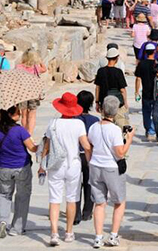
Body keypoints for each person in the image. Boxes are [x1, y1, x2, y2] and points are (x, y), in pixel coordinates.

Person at [40, 93, 93, 246]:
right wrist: (90, 161)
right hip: (73, 165)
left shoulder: (53, 123)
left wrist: (42, 166)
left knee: (54, 200)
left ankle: (54, 233)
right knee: (71, 199)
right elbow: (86, 146)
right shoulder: (78, 125)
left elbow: (47, 146)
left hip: (56, 165)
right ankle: (69, 232)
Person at [87, 96, 135, 248]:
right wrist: (129, 140)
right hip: (111, 167)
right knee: (119, 201)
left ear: (101, 109)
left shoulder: (93, 127)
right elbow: (120, 153)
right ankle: (113, 235)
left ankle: (98, 237)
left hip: (95, 166)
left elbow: (90, 146)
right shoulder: (114, 130)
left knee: (99, 203)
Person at [0, 105, 39, 238]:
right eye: (18, 113)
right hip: (21, 167)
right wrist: (39, 145)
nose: (20, 115)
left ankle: (2, 220)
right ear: (12, 115)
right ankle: (16, 228)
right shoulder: (20, 131)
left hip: (4, 167)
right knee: (22, 196)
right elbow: (32, 148)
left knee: (4, 194)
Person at [75, 92, 100, 226]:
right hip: (90, 155)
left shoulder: (73, 119)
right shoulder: (95, 121)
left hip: (75, 155)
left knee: (75, 185)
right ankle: (87, 212)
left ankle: (76, 212)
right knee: (89, 183)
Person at [94, 46, 129, 127]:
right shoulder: (118, 72)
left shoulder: (100, 71)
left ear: (107, 58)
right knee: (120, 123)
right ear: (117, 58)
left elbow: (97, 88)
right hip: (117, 102)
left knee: (106, 124)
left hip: (104, 101)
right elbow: (122, 89)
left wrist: (97, 102)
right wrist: (125, 102)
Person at [16, 48, 47, 136]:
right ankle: (30, 134)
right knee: (32, 114)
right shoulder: (36, 67)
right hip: (34, 93)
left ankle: (25, 133)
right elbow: (44, 69)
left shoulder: (19, 67)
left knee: (24, 114)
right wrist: (40, 61)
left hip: (22, 93)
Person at [134, 43, 158, 141]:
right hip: (155, 92)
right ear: (154, 52)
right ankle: (152, 130)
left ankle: (148, 129)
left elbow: (138, 78)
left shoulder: (141, 64)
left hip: (145, 91)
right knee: (155, 112)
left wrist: (136, 91)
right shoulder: (157, 64)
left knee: (146, 111)